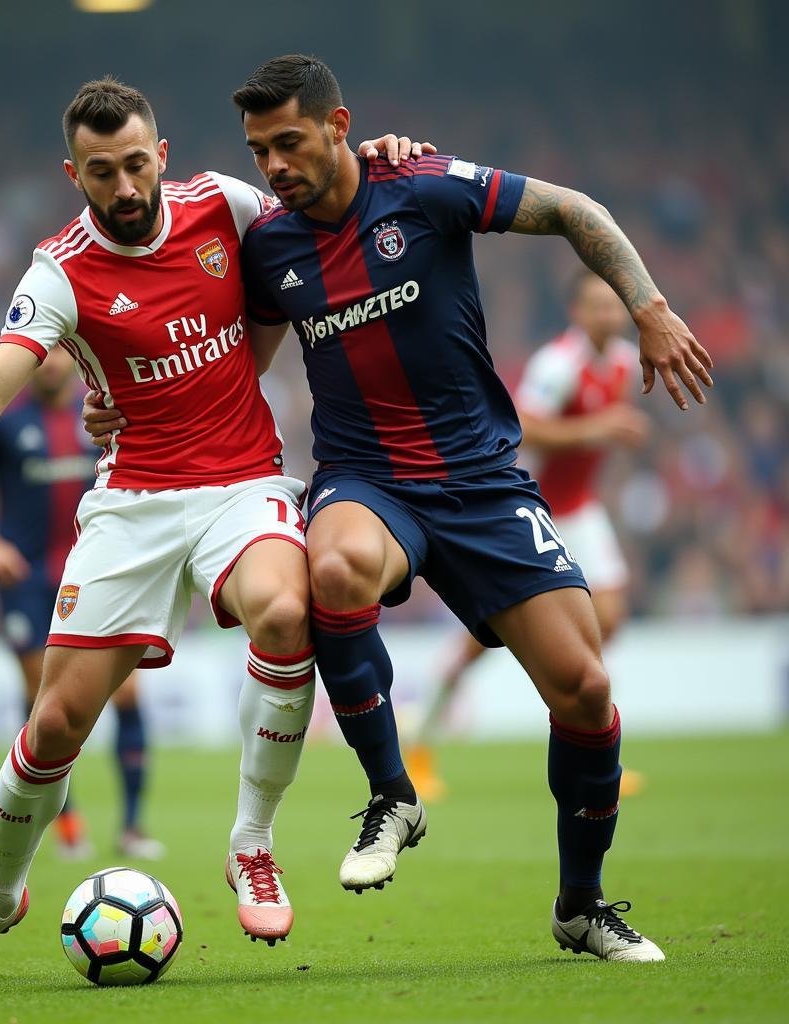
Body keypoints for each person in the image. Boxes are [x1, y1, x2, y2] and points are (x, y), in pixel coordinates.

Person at [0, 74, 425, 976]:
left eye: (137, 164)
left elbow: (325, 200)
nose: (126, 187)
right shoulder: (59, 269)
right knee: (56, 720)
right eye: (103, 172)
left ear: (163, 156)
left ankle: (251, 843)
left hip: (241, 483)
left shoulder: (225, 204)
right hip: (133, 500)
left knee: (287, 612)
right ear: (76, 174)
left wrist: (380, 154)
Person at [225, 54, 711, 962]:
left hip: (483, 480)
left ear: (338, 126)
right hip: (366, 479)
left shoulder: (422, 184)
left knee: (588, 689)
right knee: (331, 566)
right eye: (260, 152)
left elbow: (575, 211)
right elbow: (240, 357)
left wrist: (647, 306)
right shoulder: (270, 249)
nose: (275, 166)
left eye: (289, 142)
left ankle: (581, 905)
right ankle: (390, 795)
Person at [406, 270, 650, 802]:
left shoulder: (626, 363)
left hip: (580, 510)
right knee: (483, 641)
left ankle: (600, 749)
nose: (608, 315)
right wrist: (601, 427)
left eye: (614, 306)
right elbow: (525, 425)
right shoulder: (558, 364)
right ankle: (419, 745)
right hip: (532, 506)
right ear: (576, 312)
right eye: (597, 306)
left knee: (608, 618)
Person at [0, 343, 164, 860]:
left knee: (127, 695)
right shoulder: (6, 421)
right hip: (25, 579)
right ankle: (66, 823)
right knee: (45, 702)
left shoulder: (99, 416)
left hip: (96, 576)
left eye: (64, 355)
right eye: (46, 356)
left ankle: (132, 827)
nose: (55, 364)